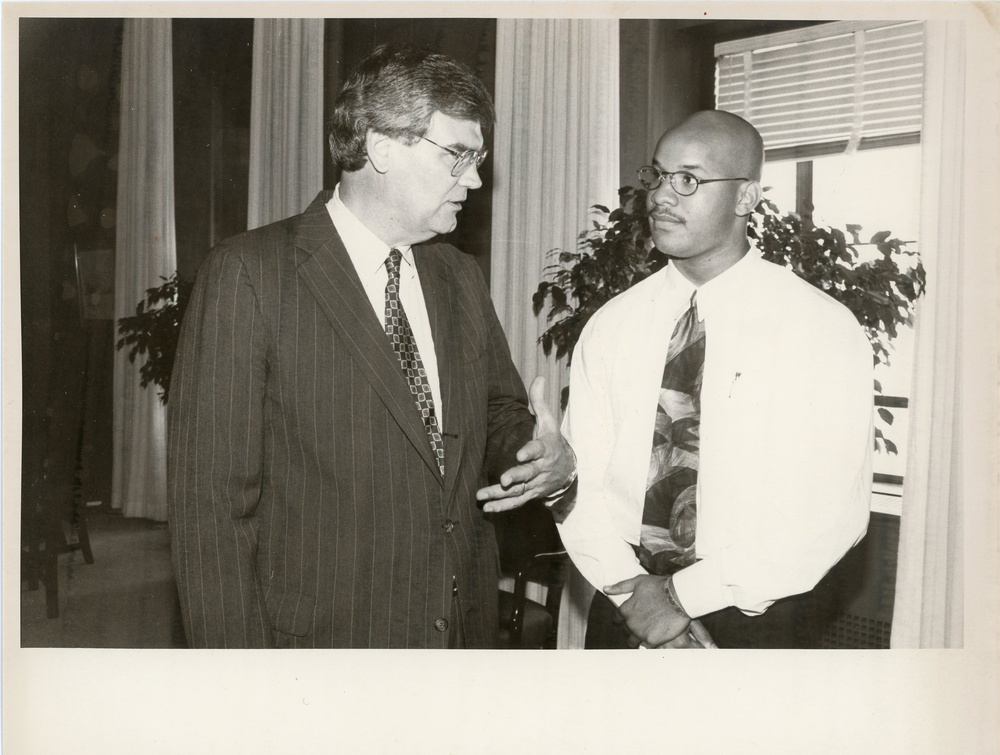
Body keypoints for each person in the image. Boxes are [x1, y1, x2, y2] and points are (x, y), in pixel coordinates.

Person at [167, 45, 574, 649]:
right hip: (326, 645)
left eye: (480, 158)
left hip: (459, 631)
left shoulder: (458, 275)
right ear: (382, 147)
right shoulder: (250, 273)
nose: (477, 179)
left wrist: (535, 452)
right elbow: (212, 513)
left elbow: (494, 412)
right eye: (458, 156)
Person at [555, 110, 873, 649]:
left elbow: (830, 514)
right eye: (656, 176)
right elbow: (580, 483)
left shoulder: (820, 329)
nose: (660, 196)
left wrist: (680, 599)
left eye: (689, 180)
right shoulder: (613, 324)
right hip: (624, 602)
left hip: (754, 615)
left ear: (746, 198)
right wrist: (636, 598)